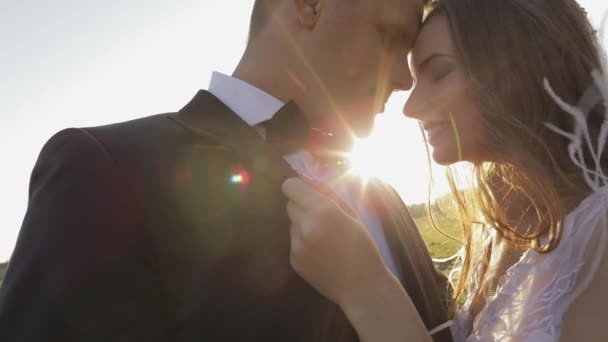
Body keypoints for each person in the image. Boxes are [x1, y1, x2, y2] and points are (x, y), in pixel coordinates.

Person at [0, 0, 452, 341]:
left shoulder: (382, 194)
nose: (404, 78)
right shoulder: (103, 170)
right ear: (309, 5)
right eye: (390, 38)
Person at [282, 0, 608, 340]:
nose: (410, 107)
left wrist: (367, 290)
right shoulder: (500, 234)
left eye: (438, 73)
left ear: (517, 67)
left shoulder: (602, 233)